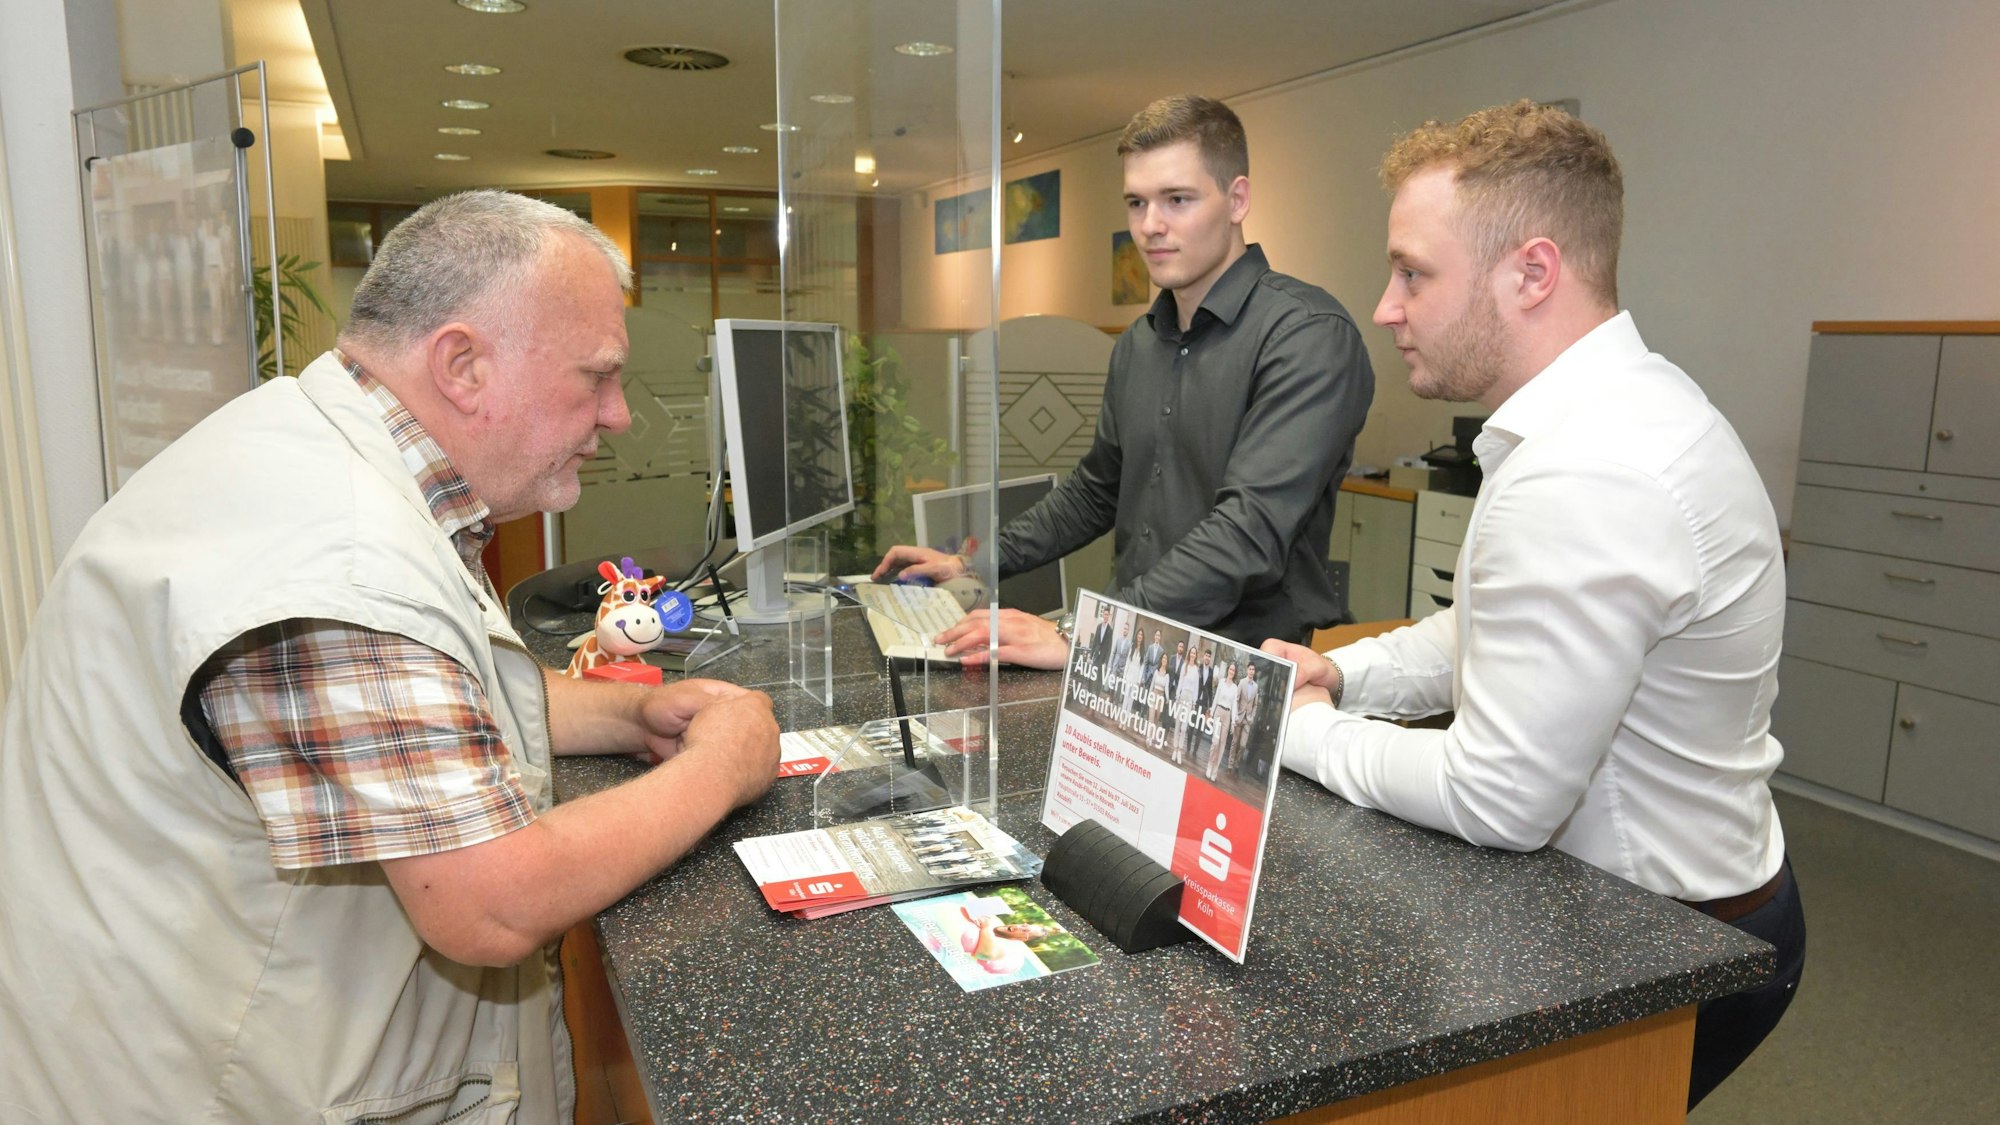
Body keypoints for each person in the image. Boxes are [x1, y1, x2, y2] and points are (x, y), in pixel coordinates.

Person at [0, 190, 781, 1120]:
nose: (616, 415)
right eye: (595, 376)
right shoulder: (338, 559)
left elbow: (444, 696)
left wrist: (627, 709)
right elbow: (491, 903)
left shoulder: (325, 455)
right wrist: (724, 766)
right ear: (462, 365)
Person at [1261, 101, 1803, 1110]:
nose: (1385, 306)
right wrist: (1346, 673)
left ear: (1531, 272)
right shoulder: (1617, 410)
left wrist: (1302, 731)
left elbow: (1495, 799)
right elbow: (1500, 627)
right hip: (1692, 900)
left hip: (1667, 941)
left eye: (1412, 273)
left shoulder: (1587, 471)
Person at [875, 94, 1374, 666]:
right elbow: (1095, 492)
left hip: (1240, 669)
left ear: (1237, 200)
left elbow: (1247, 533)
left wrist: (1089, 636)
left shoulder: (1306, 334)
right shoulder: (1139, 343)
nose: (1150, 226)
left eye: (1177, 200)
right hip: (1125, 655)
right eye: (1137, 202)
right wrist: (973, 561)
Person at [1205, 661, 1239, 782]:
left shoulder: (1235, 688)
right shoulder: (1221, 683)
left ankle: (1215, 771)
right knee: (1215, 741)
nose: (1231, 672)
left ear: (1235, 673)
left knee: (1222, 744)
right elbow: (1215, 699)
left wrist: (1234, 722)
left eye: (1233, 671)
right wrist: (1211, 713)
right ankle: (1209, 766)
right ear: (1228, 670)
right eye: (1230, 669)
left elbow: (1234, 705)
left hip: (1227, 715)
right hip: (1218, 711)